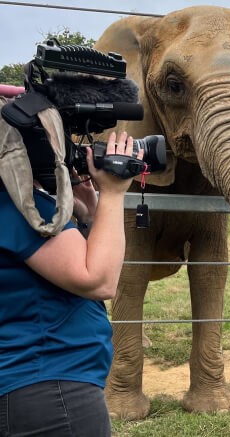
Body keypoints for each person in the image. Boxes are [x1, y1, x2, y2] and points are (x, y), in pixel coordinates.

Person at [0, 129, 142, 436]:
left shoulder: (18, 206)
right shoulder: (23, 209)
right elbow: (99, 280)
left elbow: (76, 260)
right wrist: (114, 193)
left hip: (35, 386)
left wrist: (91, 212)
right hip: (50, 391)